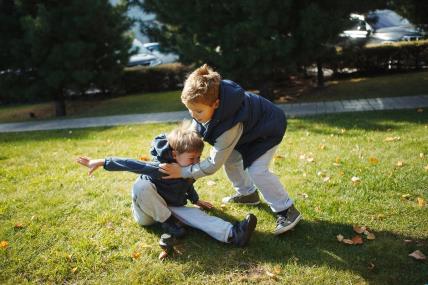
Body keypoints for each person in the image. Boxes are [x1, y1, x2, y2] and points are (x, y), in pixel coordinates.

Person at [159, 64, 301, 235]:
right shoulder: (207, 105)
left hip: (267, 130)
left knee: (257, 170)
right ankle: (248, 194)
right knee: (231, 159)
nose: (193, 115)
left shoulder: (229, 127)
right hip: (248, 132)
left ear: (216, 104)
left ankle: (286, 209)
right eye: (189, 109)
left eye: (198, 111)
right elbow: (193, 133)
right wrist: (172, 147)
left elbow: (213, 164)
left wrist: (182, 173)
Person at [76, 122, 257, 247]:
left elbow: (187, 184)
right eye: (192, 158)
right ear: (174, 155)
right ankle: (170, 222)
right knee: (141, 185)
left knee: (196, 215)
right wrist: (101, 161)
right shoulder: (161, 167)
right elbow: (130, 164)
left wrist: (195, 200)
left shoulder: (188, 170)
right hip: (147, 213)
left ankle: (233, 234)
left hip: (169, 209)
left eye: (198, 157)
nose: (196, 161)